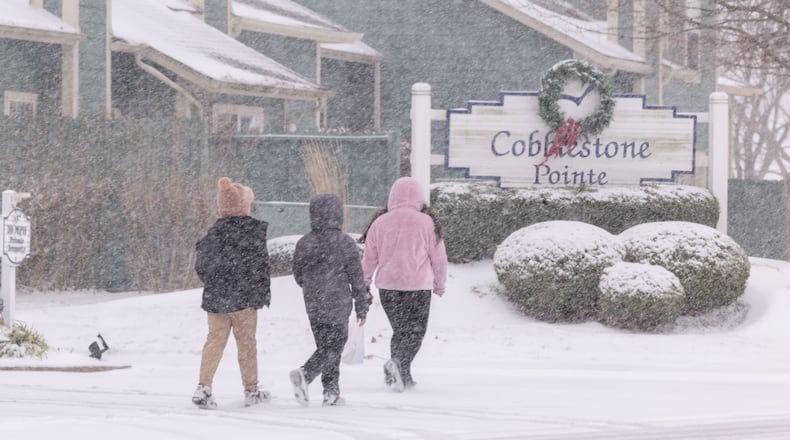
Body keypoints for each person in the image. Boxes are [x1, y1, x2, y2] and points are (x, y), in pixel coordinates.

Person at [358, 177, 448, 392]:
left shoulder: (380, 222)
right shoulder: (427, 222)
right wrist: (440, 284)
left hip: (389, 288)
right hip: (417, 287)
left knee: (400, 331)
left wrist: (364, 282)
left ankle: (401, 375)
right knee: (415, 332)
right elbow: (439, 257)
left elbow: (369, 258)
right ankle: (398, 365)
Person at [192, 177, 271, 409]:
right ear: (244, 206)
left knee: (214, 341)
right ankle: (251, 389)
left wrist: (216, 283)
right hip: (245, 300)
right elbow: (261, 267)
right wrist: (260, 293)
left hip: (217, 300)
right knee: (246, 344)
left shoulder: (213, 233)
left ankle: (204, 386)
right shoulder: (252, 232)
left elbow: (202, 266)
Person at [290, 193, 372, 407]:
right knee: (334, 347)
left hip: (314, 304)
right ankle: (306, 374)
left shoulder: (304, 243)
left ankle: (331, 391)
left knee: (325, 346)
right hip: (338, 303)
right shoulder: (345, 243)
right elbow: (357, 278)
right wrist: (362, 307)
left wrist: (312, 287)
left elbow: (298, 275)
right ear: (338, 214)